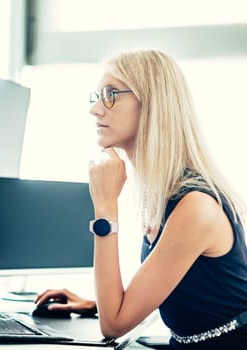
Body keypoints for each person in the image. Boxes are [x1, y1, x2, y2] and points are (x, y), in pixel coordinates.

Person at [35, 50, 247, 349]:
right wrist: (98, 303)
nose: (95, 109)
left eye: (111, 94)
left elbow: (114, 325)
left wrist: (106, 209)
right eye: (98, 95)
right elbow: (178, 294)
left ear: (152, 105)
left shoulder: (196, 207)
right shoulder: (163, 192)